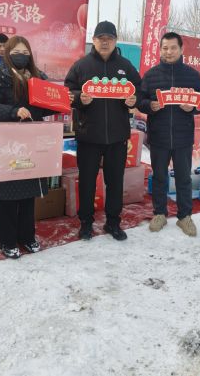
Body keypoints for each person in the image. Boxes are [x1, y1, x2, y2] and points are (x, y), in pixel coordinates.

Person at [0, 35, 61, 259]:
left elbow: (45, 106)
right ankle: (7, 241)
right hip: (9, 144)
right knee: (7, 196)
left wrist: (60, 103)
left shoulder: (38, 77)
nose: (21, 56)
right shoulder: (0, 76)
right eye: (16, 52)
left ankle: (27, 236)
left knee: (28, 195)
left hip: (32, 142)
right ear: (8, 54)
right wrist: (13, 111)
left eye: (25, 53)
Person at [64, 20, 142, 241]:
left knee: (115, 182)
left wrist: (134, 99)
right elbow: (67, 92)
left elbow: (139, 90)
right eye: (101, 38)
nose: (105, 42)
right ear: (94, 40)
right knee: (87, 182)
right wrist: (79, 98)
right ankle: (86, 223)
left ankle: (113, 223)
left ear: (115, 41)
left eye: (109, 38)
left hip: (117, 136)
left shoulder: (125, 66)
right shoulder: (81, 66)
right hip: (88, 135)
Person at [138, 32, 200, 236]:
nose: (169, 52)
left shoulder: (192, 75)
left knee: (184, 178)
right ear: (160, 50)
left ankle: (185, 217)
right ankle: (159, 213)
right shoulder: (151, 75)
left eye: (173, 48)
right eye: (165, 48)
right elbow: (140, 100)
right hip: (158, 136)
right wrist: (149, 105)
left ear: (181, 49)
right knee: (159, 176)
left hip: (182, 136)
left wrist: (193, 108)